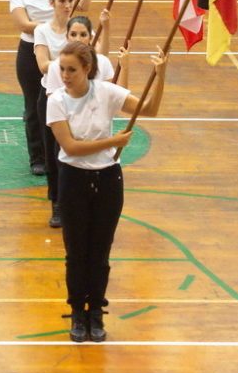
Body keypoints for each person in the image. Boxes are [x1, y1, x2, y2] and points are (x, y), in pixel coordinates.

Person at [47, 41, 169, 343]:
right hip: (72, 179)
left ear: (88, 69)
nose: (65, 75)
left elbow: (149, 109)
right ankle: (77, 311)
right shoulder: (56, 100)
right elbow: (71, 147)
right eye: (62, 69)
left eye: (72, 70)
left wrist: (161, 74)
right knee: (76, 253)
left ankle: (96, 312)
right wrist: (112, 142)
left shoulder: (106, 92)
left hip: (108, 180)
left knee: (100, 252)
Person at [33, 0, 98, 226]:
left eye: (71, 0)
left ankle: (81, 202)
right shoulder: (46, 38)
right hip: (52, 97)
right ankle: (57, 204)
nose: (68, 4)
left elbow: (99, 62)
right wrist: (66, 65)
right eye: (63, 0)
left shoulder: (81, 30)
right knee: (55, 153)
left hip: (81, 97)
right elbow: (44, 66)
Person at [10, 0, 55, 175]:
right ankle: (37, 157)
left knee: (54, 104)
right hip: (29, 52)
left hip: (55, 50)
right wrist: (54, 26)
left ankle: (54, 153)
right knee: (33, 106)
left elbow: (80, 6)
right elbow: (25, 24)